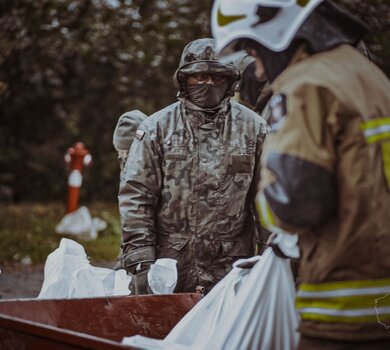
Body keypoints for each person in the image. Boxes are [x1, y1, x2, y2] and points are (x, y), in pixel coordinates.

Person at [212, 0, 390, 348]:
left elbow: (292, 204)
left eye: (253, 49)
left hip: (342, 304)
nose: (259, 71)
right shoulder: (369, 76)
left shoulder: (307, 85)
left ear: (276, 33)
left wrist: (267, 204)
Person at [118, 38, 269, 294]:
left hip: (232, 269)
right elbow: (137, 195)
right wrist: (139, 259)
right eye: (198, 76)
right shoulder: (157, 129)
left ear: (229, 81)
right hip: (169, 267)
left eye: (216, 77)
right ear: (183, 80)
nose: (207, 83)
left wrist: (271, 258)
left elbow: (268, 200)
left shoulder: (254, 129)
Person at [112, 110, 147, 270]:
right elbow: (129, 212)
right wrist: (123, 257)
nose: (125, 157)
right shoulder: (125, 162)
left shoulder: (157, 163)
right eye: (121, 152)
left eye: (129, 151)